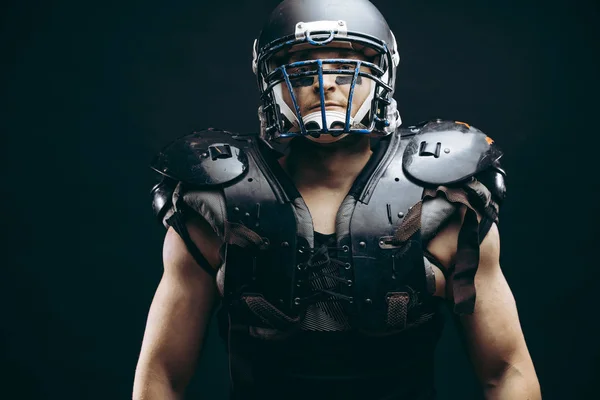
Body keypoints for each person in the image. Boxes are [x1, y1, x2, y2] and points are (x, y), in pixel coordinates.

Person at [133, 0, 541, 399]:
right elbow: (162, 374)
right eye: (302, 66)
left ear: (381, 74)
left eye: (345, 67)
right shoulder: (219, 209)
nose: (323, 82)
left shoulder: (446, 203)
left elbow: (506, 370)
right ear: (270, 81)